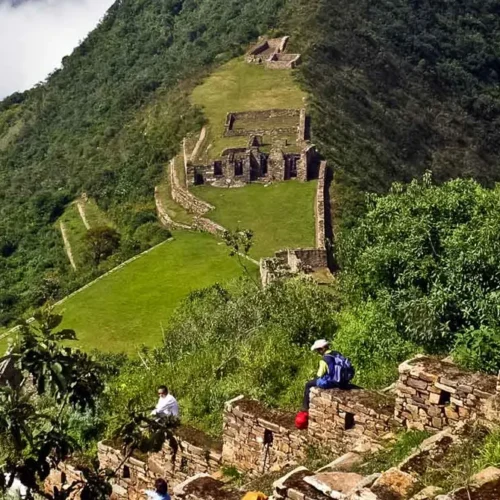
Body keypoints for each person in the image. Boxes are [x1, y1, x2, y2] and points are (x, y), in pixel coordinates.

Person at [302, 339, 354, 410]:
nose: (318, 352)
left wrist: (314, 379)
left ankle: (305, 408)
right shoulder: (337, 353)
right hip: (344, 381)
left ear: (322, 349)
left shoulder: (324, 360)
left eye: (318, 350)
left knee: (308, 384)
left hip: (333, 382)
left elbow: (319, 375)